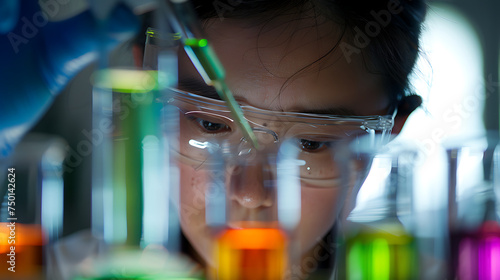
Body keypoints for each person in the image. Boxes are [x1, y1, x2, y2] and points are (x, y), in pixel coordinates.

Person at [0, 0, 426, 279]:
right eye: (210, 125)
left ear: (391, 134)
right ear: (145, 97)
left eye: (313, 143)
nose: (250, 192)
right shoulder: (40, 270)